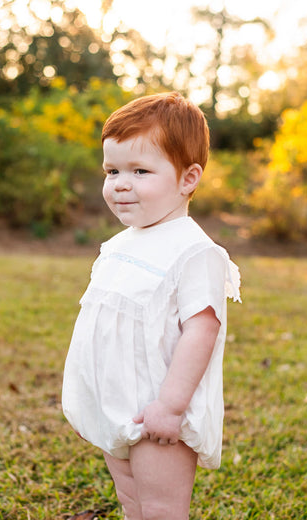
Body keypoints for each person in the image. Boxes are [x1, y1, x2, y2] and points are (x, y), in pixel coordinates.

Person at [62, 92, 241, 520]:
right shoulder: (121, 243)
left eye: (140, 171)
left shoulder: (194, 251)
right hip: (115, 402)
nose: (121, 183)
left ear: (187, 179)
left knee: (161, 508)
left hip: (157, 410)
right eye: (113, 170)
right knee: (132, 502)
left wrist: (170, 407)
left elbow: (202, 330)